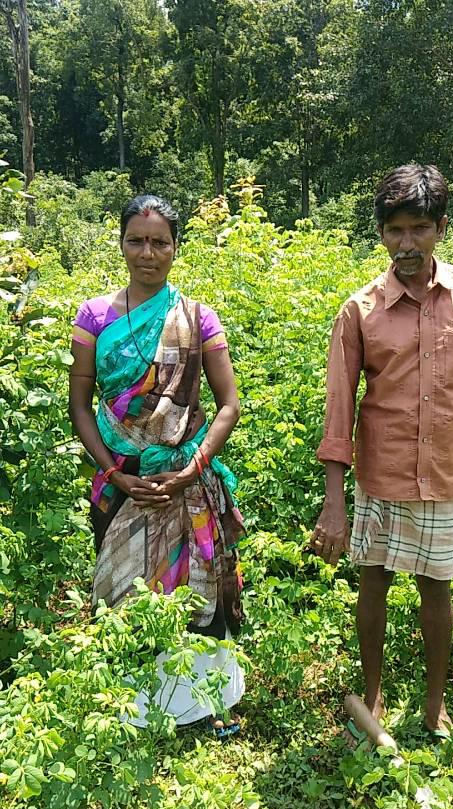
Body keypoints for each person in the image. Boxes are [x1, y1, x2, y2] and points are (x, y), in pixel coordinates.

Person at [311, 164, 453, 746]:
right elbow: (339, 413)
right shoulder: (359, 310)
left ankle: (434, 701)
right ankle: (372, 694)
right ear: (381, 234)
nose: (407, 243)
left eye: (419, 228)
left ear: (441, 229)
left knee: (436, 588)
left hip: (448, 473)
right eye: (395, 230)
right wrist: (334, 504)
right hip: (382, 473)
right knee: (372, 582)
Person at [69, 194, 245, 738]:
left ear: (175, 247)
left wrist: (194, 468)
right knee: (123, 587)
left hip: (184, 479)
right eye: (136, 241)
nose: (148, 253)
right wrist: (114, 473)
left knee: (196, 586)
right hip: (119, 478)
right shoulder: (95, 317)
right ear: (122, 244)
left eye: (159, 242)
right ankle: (132, 710)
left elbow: (229, 404)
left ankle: (205, 703)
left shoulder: (197, 318)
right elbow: (80, 405)